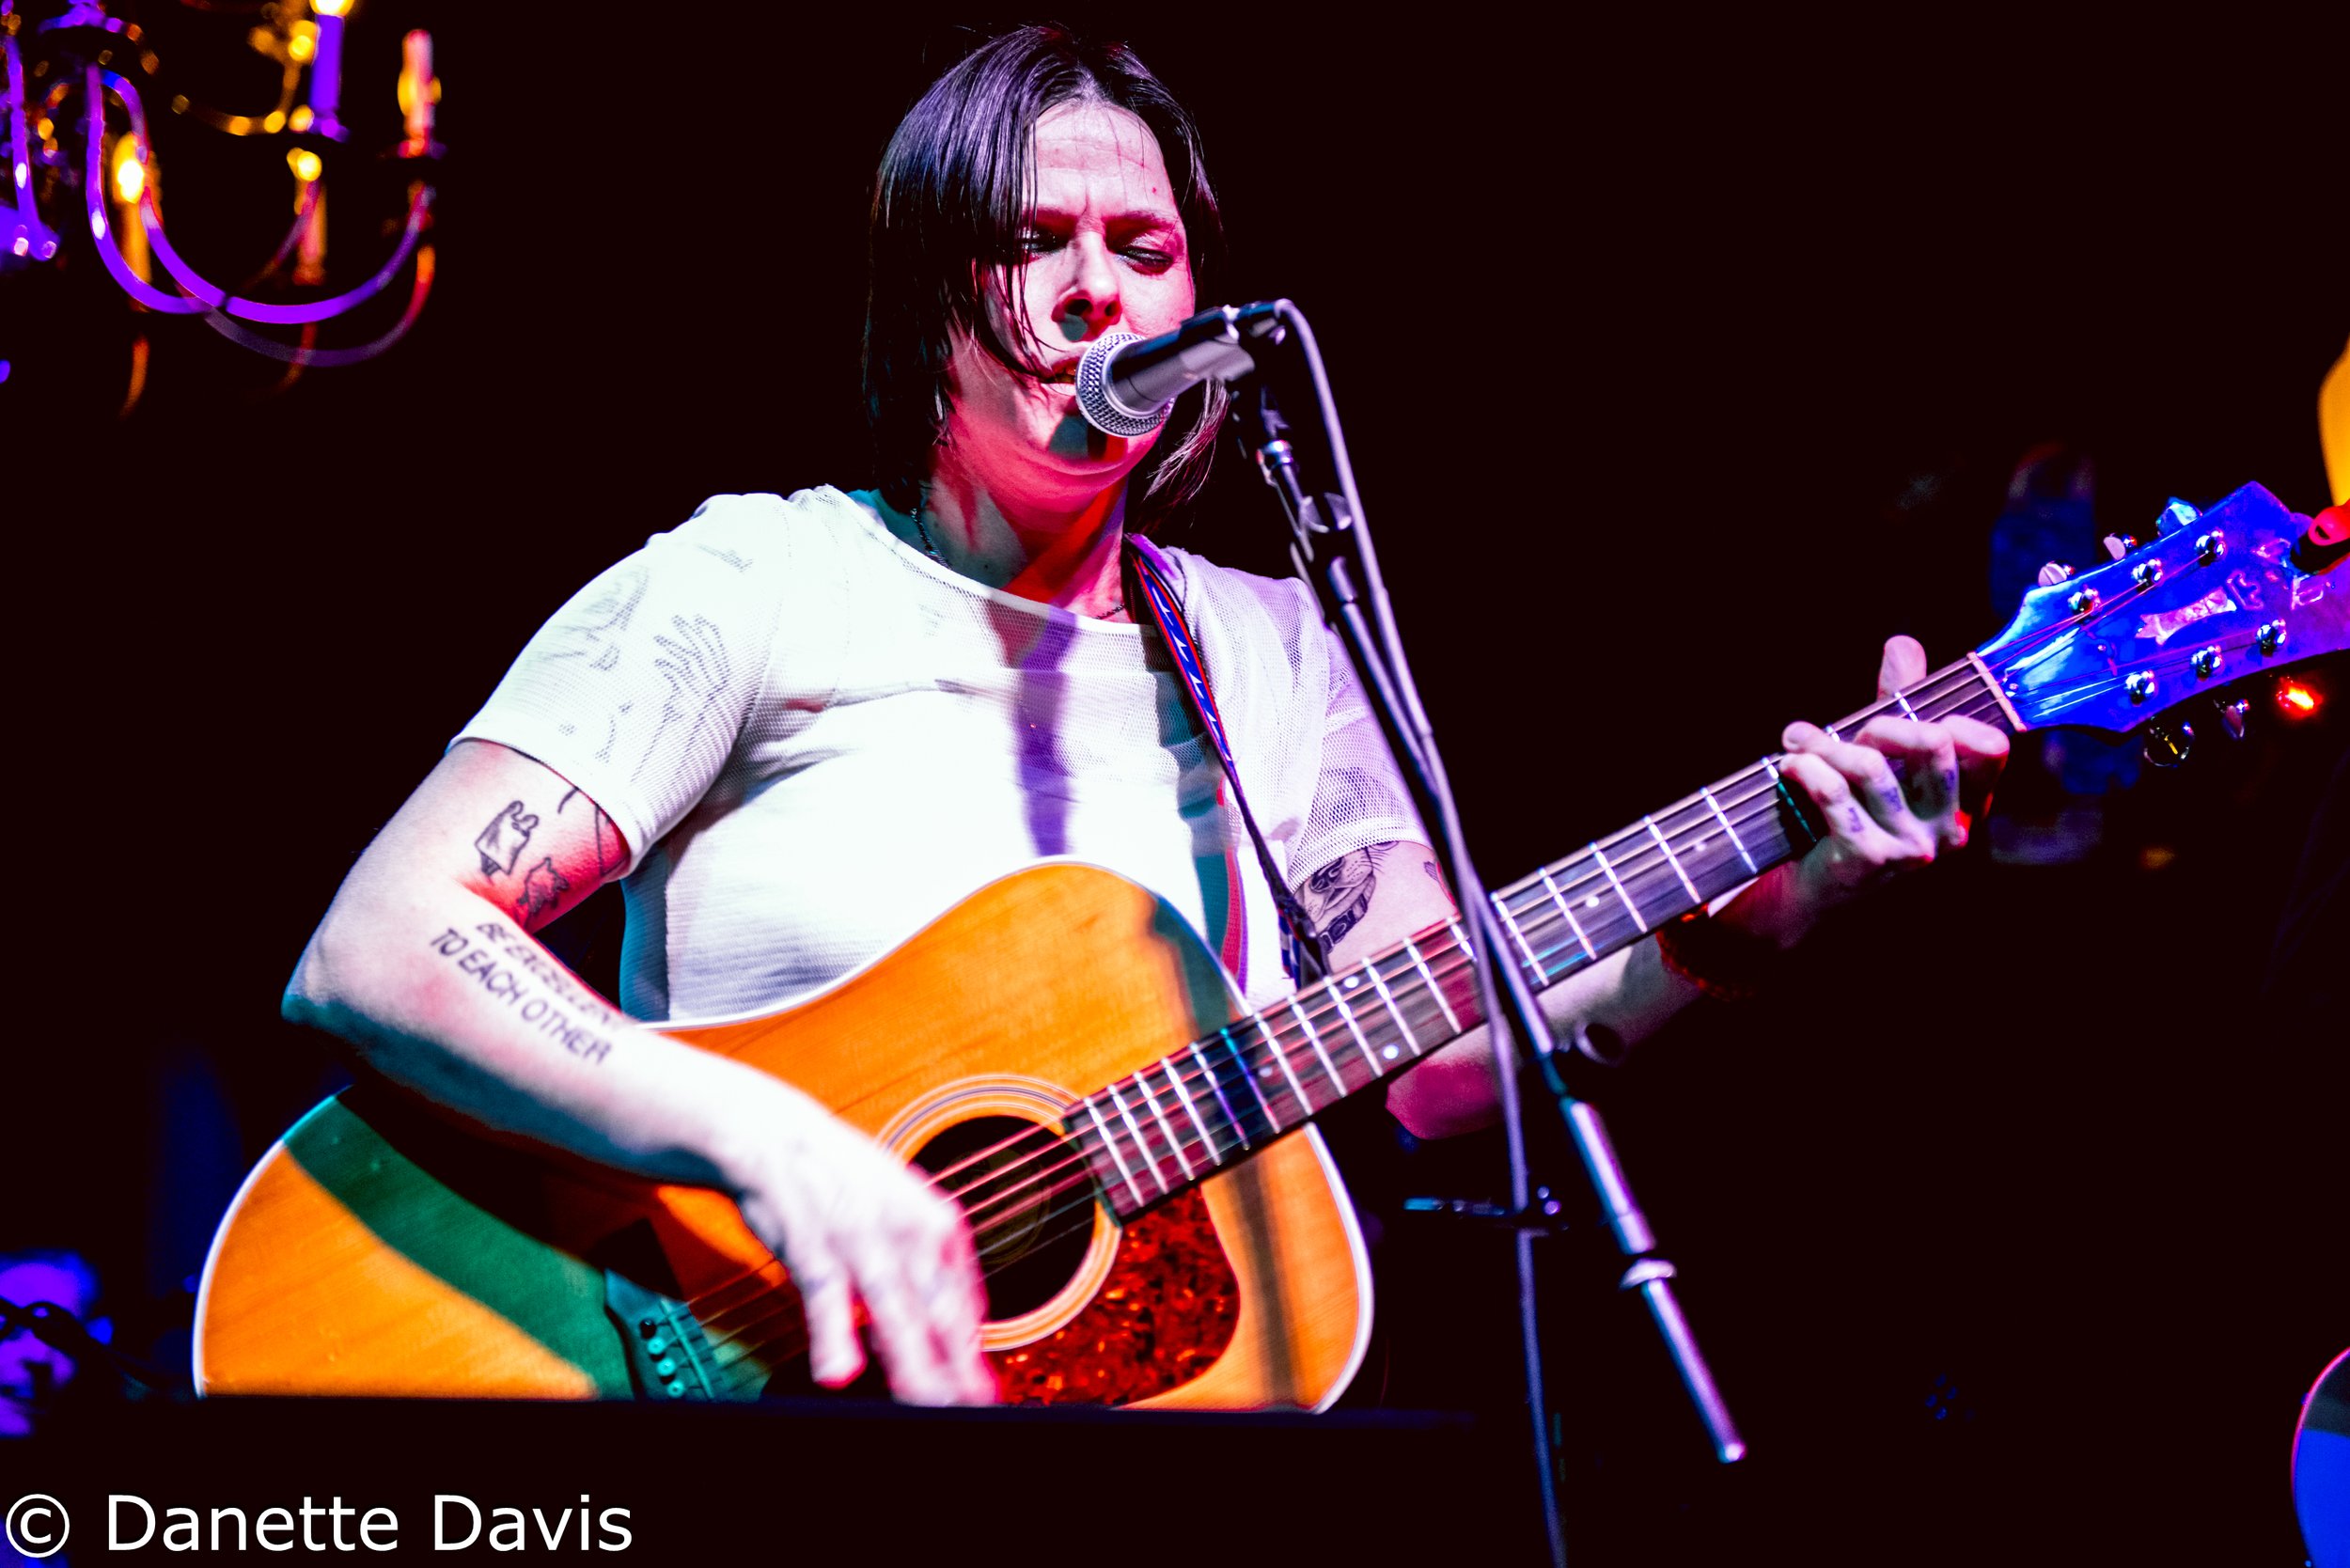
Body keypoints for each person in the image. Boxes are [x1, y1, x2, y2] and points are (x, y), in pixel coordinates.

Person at [283, 25, 2006, 1407]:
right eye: (1033, 242)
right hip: (690, 1368)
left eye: (1144, 249)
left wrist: (1768, 907)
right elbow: (385, 942)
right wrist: (769, 1142)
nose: (1095, 289)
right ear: (932, 292)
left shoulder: (1271, 649)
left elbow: (1434, 1059)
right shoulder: (755, 579)